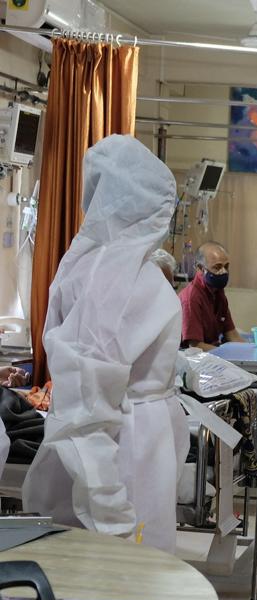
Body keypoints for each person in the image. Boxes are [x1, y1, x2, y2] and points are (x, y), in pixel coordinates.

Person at [21, 135, 189, 553]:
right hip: (127, 450)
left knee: (141, 577)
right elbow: (88, 405)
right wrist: (111, 511)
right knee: (131, 575)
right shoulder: (115, 277)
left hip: (142, 441)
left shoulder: (101, 264)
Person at [179, 241, 244, 350]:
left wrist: (253, 351)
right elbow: (195, 346)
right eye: (217, 267)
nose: (223, 272)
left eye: (226, 266)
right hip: (193, 358)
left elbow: (232, 334)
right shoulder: (191, 298)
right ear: (200, 268)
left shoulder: (218, 292)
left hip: (213, 352)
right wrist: (227, 353)